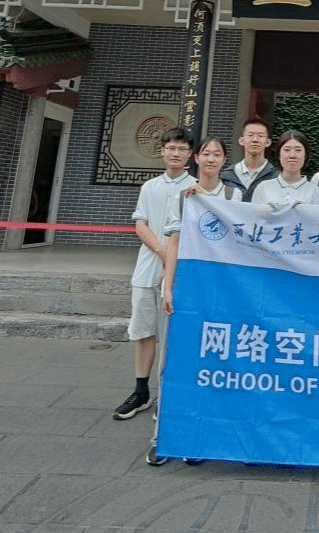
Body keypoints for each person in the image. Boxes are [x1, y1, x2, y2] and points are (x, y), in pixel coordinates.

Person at [148, 136, 236, 466]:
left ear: (224, 160)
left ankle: (200, 437)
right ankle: (162, 437)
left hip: (221, 289)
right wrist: (169, 285)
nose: (211, 159)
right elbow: (174, 242)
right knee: (175, 359)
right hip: (189, 285)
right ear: (196, 158)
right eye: (206, 153)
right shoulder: (184, 197)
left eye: (217, 154)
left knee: (212, 362)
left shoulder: (234, 196)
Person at [113, 127, 195, 420]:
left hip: (178, 275)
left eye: (182, 149)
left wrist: (170, 263)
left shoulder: (195, 188)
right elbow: (141, 224)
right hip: (147, 270)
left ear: (190, 154)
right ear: (162, 151)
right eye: (171, 148)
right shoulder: (150, 187)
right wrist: (163, 254)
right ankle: (141, 392)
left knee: (172, 336)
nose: (176, 153)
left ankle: (168, 394)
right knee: (143, 332)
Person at [251, 130, 319, 206]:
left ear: (306, 155)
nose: (292, 155)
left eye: (298, 150)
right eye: (287, 150)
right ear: (279, 155)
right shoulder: (263, 188)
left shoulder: (315, 192)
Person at [220, 116, 277, 202]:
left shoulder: (275, 177)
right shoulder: (227, 176)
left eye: (260, 136)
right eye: (250, 135)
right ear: (241, 140)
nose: (255, 140)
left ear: (268, 142)